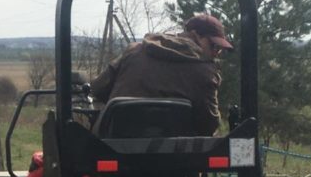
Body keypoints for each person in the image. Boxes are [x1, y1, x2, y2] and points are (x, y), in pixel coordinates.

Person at [90, 14, 233, 137]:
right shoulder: (205, 72)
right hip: (177, 157)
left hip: (114, 148)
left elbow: (97, 89)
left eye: (220, 50)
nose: (216, 53)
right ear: (195, 35)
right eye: (214, 46)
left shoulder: (134, 52)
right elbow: (208, 125)